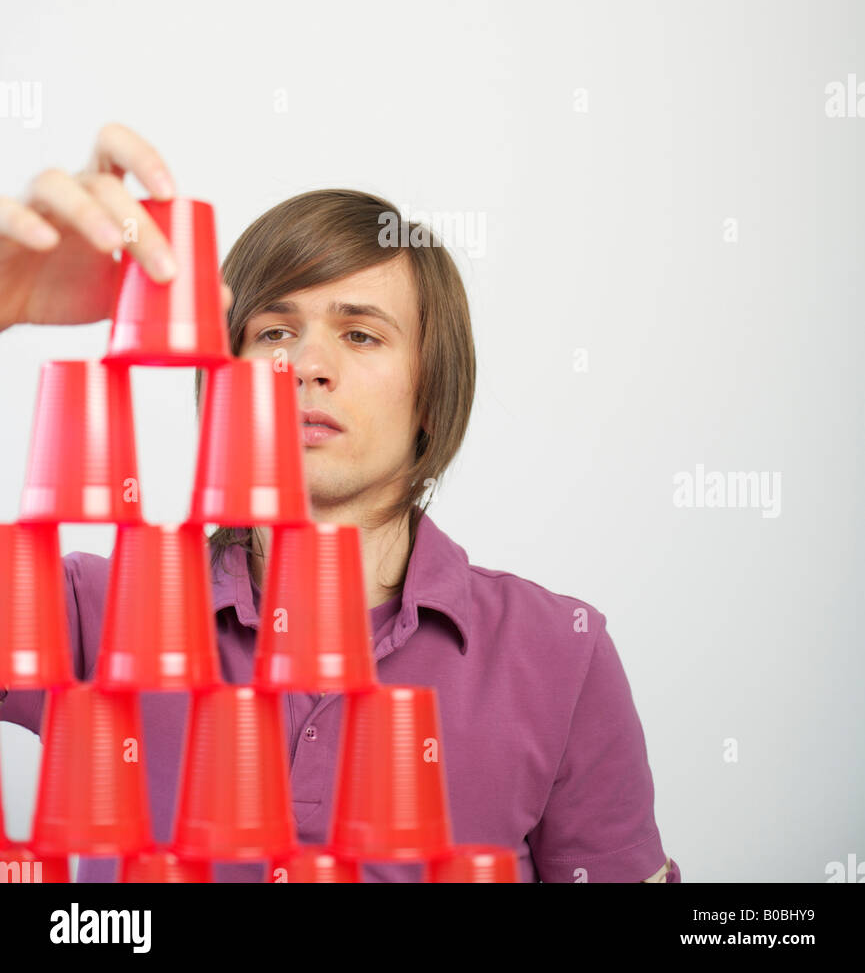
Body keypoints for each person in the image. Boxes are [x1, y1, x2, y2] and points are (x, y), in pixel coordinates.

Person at [0, 123, 680, 883]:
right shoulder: (93, 608)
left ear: (430, 394)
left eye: (359, 335)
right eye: (274, 330)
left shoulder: (560, 652)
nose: (306, 366)